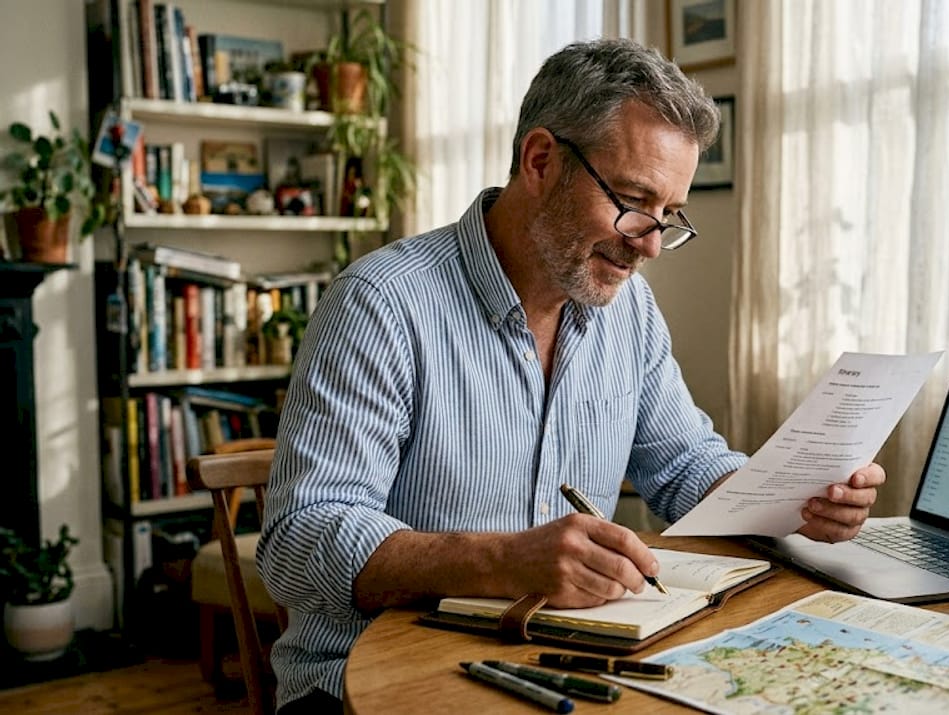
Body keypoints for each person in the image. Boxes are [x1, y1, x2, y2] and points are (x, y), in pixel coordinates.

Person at [257, 38, 887, 714]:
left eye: (668, 216)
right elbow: (298, 539)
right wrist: (502, 561)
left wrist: (792, 498)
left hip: (562, 665)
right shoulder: (381, 303)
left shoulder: (628, 310)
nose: (648, 243)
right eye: (635, 200)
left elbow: (683, 465)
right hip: (366, 681)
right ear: (541, 161)